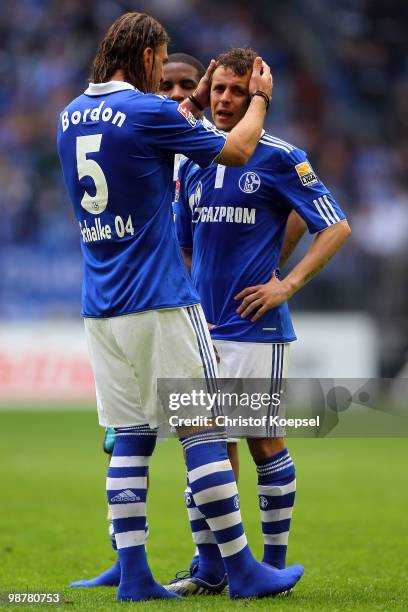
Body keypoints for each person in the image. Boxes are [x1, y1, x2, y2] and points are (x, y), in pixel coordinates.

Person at [57, 12, 303, 602]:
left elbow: (139, 142)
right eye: (161, 60)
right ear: (147, 59)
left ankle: (135, 576)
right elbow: (239, 149)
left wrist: (183, 101)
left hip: (100, 306)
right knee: (205, 431)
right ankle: (241, 569)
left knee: (131, 434)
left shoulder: (69, 117)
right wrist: (261, 98)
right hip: (161, 299)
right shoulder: (151, 113)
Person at [167, 47, 351, 596]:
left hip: (254, 329)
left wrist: (285, 283)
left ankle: (271, 566)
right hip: (202, 331)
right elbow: (184, 249)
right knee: (206, 448)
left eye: (238, 93)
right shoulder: (196, 159)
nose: (224, 101)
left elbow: (335, 225)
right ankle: (211, 568)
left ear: (258, 100)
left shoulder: (278, 156)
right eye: (218, 90)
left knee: (262, 443)